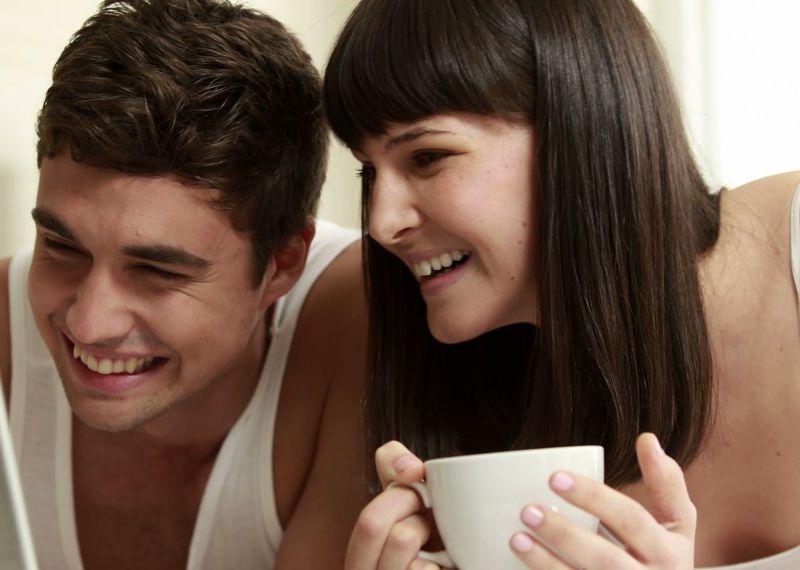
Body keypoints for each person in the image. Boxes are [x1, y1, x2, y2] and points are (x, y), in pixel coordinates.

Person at [322, 0, 800, 568]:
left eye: (427, 157)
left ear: (583, 124)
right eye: (367, 172)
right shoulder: (463, 406)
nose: (380, 225)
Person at [0, 1, 369, 568]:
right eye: (62, 248)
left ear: (283, 264)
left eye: (158, 272)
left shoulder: (356, 312)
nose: (90, 323)